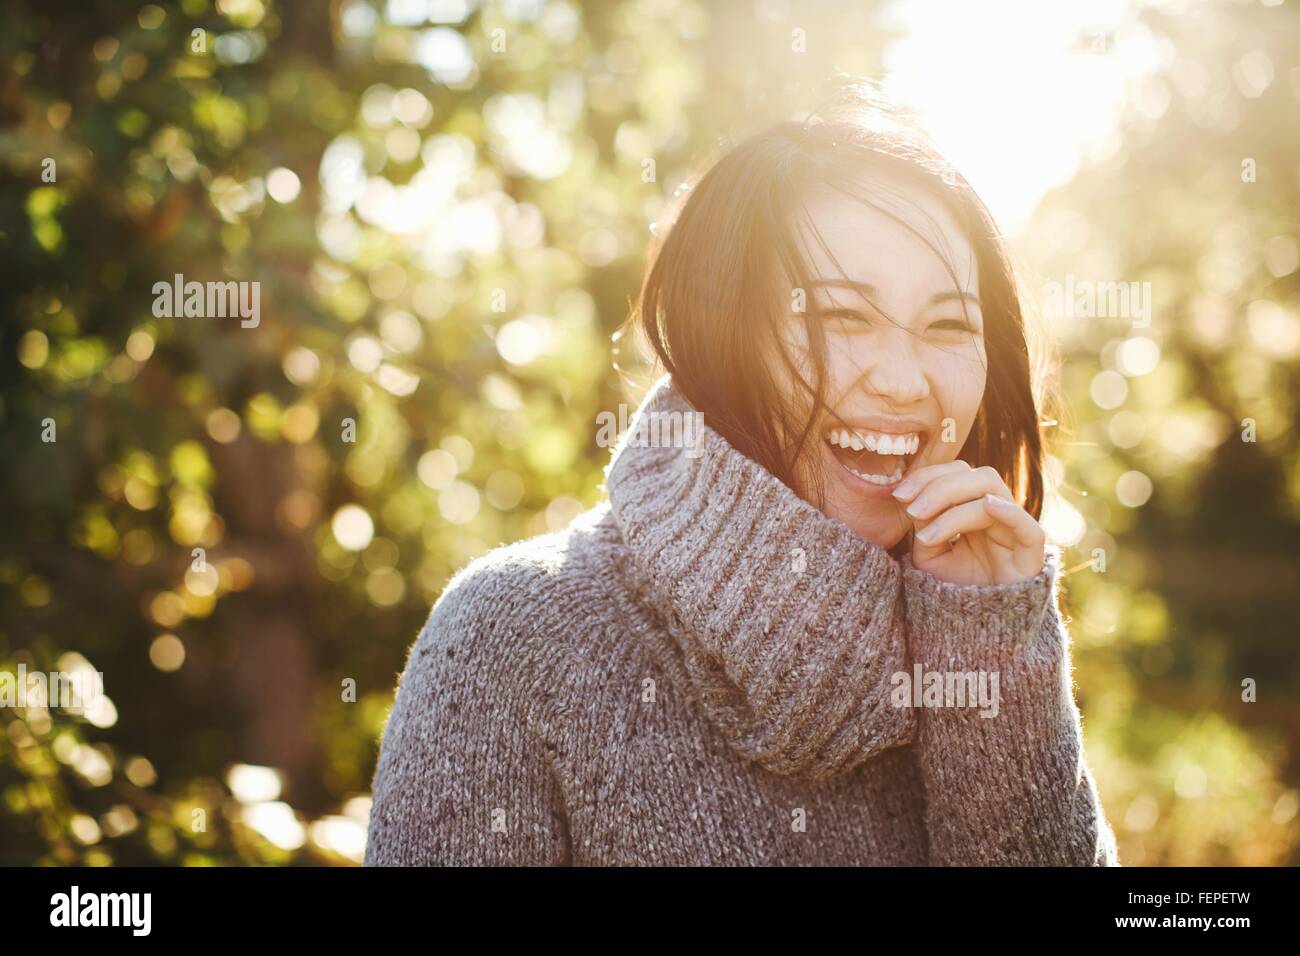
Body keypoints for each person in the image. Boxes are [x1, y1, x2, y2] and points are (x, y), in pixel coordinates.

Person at [365, 84, 1120, 866]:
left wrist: (985, 655)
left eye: (948, 325)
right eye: (841, 317)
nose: (902, 380)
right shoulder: (511, 638)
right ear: (726, 337)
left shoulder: (984, 622)